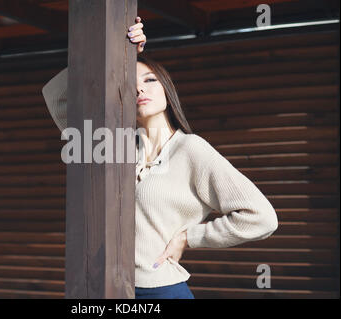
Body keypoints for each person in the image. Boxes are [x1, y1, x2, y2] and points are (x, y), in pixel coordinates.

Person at [42, 16, 279, 299]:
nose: (140, 88)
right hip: (103, 290)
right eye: (130, 83)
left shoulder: (192, 150)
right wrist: (118, 53)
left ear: (167, 89)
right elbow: (57, 95)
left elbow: (262, 218)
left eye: (150, 79)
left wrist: (189, 237)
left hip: (160, 290)